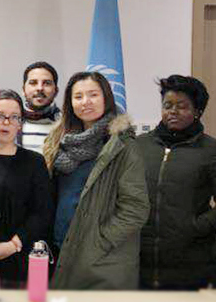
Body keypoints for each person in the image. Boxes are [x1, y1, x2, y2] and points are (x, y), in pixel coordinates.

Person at [43, 72, 149, 290]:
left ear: (106, 98)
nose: (86, 102)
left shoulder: (122, 145)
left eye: (93, 95)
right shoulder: (58, 142)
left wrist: (97, 242)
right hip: (60, 248)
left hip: (101, 259)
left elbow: (135, 209)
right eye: (78, 96)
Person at [132, 76, 216, 291]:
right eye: (167, 105)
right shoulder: (139, 146)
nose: (173, 111)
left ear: (197, 111)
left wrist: (196, 227)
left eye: (182, 106)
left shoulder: (215, 152)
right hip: (139, 264)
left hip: (191, 266)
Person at [0, 91, 52, 288]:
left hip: (18, 255)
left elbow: (42, 212)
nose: (6, 122)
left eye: (14, 117)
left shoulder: (34, 162)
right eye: (0, 115)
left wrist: (13, 245)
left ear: (20, 124)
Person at [20, 61, 60, 153]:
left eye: (47, 83)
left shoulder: (66, 124)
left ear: (56, 91)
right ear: (23, 90)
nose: (40, 88)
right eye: (33, 83)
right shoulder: (11, 123)